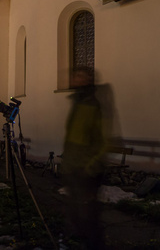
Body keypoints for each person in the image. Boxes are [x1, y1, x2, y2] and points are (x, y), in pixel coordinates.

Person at [62, 66, 113, 249]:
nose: (77, 79)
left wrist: (91, 167)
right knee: (75, 215)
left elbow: (103, 139)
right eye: (76, 76)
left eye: (82, 76)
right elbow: (73, 138)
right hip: (74, 168)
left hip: (87, 171)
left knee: (89, 217)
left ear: (89, 80)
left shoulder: (93, 104)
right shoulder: (77, 101)